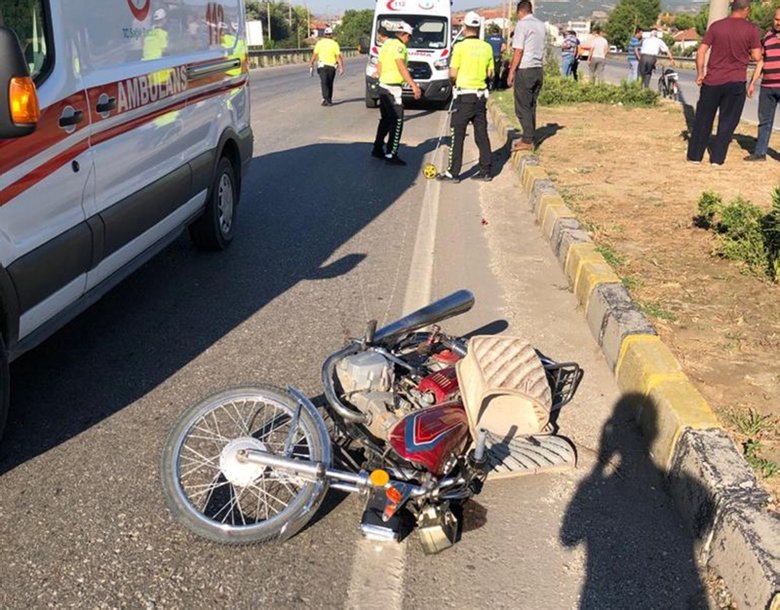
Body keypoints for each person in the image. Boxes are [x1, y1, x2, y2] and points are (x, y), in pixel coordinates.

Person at [687, 0, 762, 165]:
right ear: (747, 10)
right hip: (735, 82)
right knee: (727, 122)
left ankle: (695, 156)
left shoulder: (716, 26)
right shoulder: (751, 29)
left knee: (703, 119)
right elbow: (757, 57)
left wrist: (700, 73)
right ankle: (717, 158)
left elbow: (701, 51)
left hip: (712, 80)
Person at [436, 11, 494, 183]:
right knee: (481, 134)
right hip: (480, 96)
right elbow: (490, 73)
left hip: (464, 96)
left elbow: (453, 73)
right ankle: (486, 170)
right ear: (478, 28)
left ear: (464, 27)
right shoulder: (487, 47)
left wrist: (453, 82)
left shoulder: (460, 47)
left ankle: (453, 172)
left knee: (457, 133)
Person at [372, 21, 421, 165]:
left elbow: (379, 64)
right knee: (398, 121)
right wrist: (413, 85)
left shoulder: (387, 44)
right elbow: (401, 67)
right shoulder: (399, 47)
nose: (409, 40)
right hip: (393, 89)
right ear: (404, 34)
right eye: (409, 37)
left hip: (382, 86)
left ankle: (377, 148)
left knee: (386, 120)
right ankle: (391, 153)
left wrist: (380, 75)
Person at [507, 0, 546, 152]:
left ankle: (527, 140)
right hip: (538, 69)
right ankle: (529, 136)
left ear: (520, 12)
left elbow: (518, 51)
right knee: (531, 105)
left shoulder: (522, 25)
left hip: (525, 69)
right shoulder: (541, 25)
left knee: (522, 106)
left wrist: (511, 71)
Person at [745, 8, 780, 161]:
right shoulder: (767, 37)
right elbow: (761, 61)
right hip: (767, 87)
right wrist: (753, 82)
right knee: (764, 120)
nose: (778, 22)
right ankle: (760, 153)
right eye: (776, 19)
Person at [309, 27, 344, 106]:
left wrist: (311, 63)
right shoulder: (335, 44)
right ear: (331, 35)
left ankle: (326, 99)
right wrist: (341, 67)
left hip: (323, 66)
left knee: (324, 82)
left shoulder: (320, 43)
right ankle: (328, 99)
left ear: (325, 34)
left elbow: (315, 54)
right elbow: (338, 57)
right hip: (331, 66)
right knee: (329, 83)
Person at [486, 25, 505, 90]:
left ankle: (488, 85)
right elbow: (503, 47)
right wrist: (500, 52)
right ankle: (496, 86)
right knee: (497, 71)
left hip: (489, 56)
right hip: (497, 56)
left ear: (492, 32)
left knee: (489, 70)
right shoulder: (500, 38)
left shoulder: (488, 38)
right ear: (498, 32)